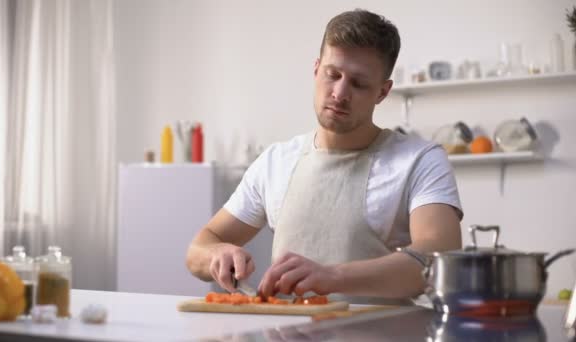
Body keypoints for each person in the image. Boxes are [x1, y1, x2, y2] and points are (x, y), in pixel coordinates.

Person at [186, 9, 462, 304]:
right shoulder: (276, 162)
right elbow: (200, 247)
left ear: (382, 92)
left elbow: (439, 257)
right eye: (333, 75)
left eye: (358, 83)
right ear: (316, 69)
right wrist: (217, 254)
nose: (340, 93)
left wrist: (334, 277)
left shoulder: (419, 160)